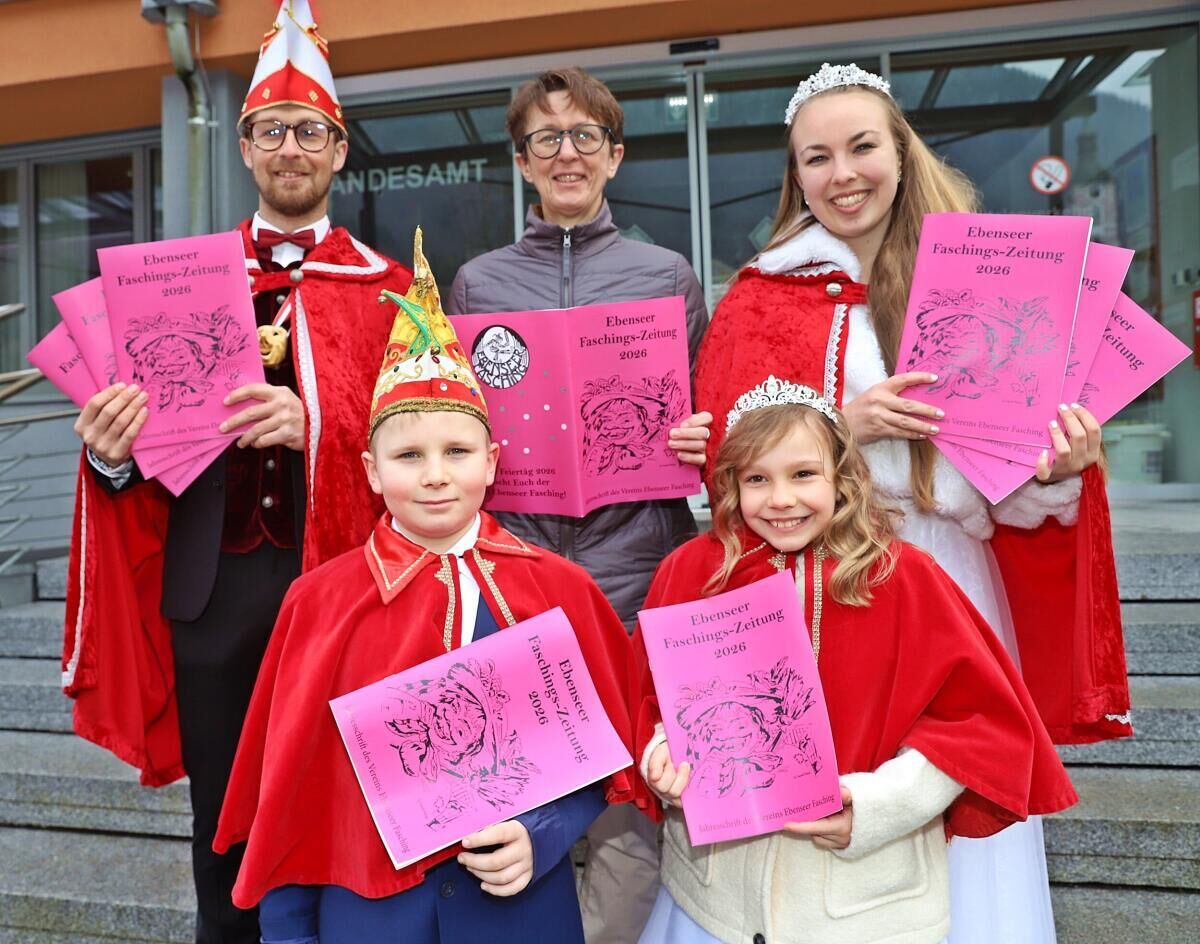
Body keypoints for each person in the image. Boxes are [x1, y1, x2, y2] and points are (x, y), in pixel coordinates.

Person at [692, 62, 1130, 943]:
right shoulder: (757, 300)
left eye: (861, 147)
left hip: (954, 579)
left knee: (947, 784)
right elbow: (731, 476)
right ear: (794, 175)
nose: (842, 174)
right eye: (816, 158)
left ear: (901, 150)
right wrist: (836, 427)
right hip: (820, 590)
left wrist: (1058, 470)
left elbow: (1012, 482)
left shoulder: (992, 277)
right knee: (831, 810)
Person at [60, 3, 412, 941]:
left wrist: (321, 425)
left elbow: (431, 438)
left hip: (338, 586)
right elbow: (133, 456)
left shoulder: (391, 291)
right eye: (271, 130)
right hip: (206, 594)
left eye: (310, 131)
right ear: (245, 149)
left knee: (349, 804)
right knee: (221, 830)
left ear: (340, 151)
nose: (290, 147)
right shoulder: (169, 283)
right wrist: (109, 452)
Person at [213, 231, 641, 944]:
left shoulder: (560, 589)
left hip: (519, 915)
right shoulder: (318, 603)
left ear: (492, 461)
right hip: (370, 919)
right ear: (371, 471)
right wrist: (288, 937)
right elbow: (289, 794)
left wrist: (543, 833)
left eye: (457, 451)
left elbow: (606, 749)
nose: (436, 475)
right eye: (409, 455)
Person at [631, 382, 1078, 944]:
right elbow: (652, 699)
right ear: (731, 484)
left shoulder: (906, 579)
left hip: (864, 905)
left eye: (803, 474)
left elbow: (975, 727)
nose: (781, 499)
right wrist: (664, 760)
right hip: (713, 905)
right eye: (757, 479)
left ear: (841, 476)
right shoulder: (693, 572)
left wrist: (876, 807)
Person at [446, 66, 710, 942]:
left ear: (614, 155)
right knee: (527, 797)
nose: (567, 153)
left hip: (638, 575)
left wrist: (701, 436)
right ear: (522, 162)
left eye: (585, 136)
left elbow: (713, 411)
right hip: (518, 580)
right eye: (546, 139)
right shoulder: (477, 284)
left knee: (630, 816)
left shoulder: (667, 275)